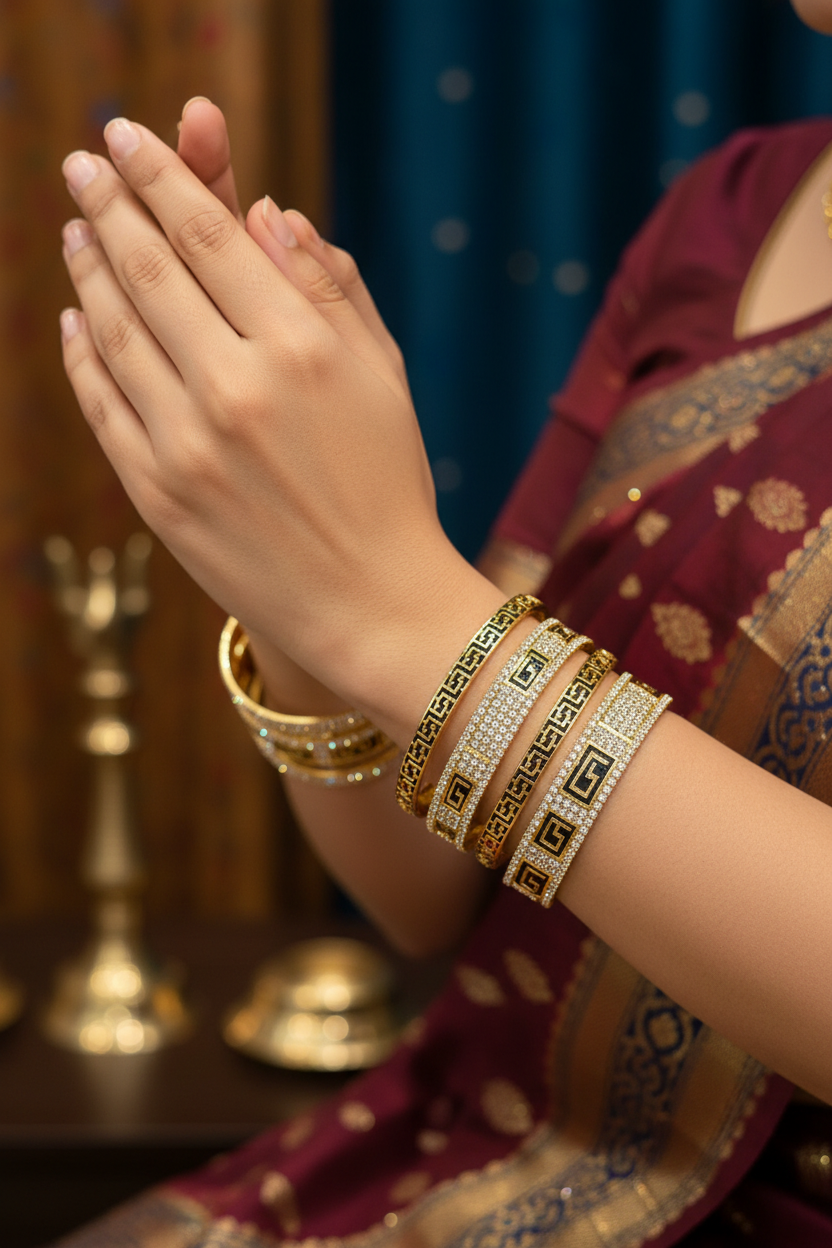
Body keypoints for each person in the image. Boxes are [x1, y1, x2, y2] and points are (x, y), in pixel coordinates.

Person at [53, 2, 832, 1244]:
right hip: (468, 1157)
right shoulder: (731, 212)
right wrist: (295, 585)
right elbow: (434, 893)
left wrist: (395, 608)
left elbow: (439, 654)